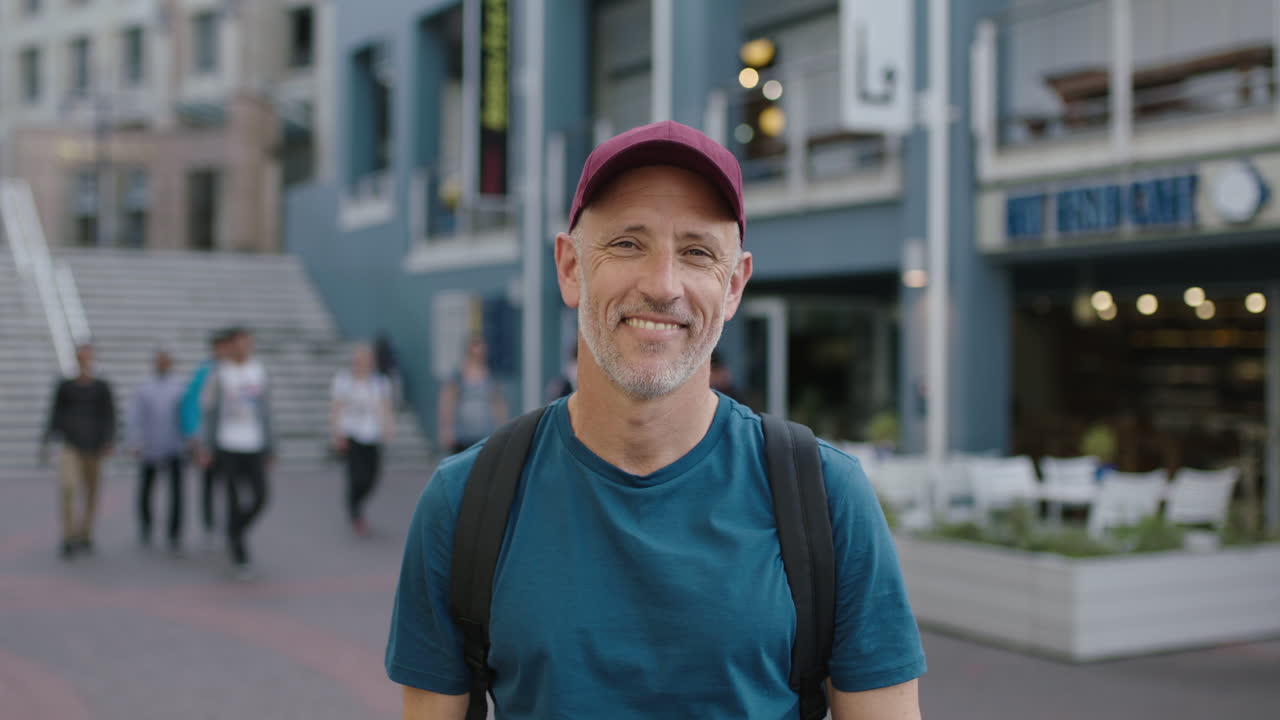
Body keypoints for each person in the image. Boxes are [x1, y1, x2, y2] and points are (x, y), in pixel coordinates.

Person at [386, 121, 926, 719]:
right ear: (570, 267)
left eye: (696, 252)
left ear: (734, 285)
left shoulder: (823, 498)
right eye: (626, 243)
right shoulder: (468, 500)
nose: (663, 286)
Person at [199, 327, 273, 579]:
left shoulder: (259, 371)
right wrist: (207, 446)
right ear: (231, 345)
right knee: (232, 498)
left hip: (253, 444)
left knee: (261, 496)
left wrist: (271, 445)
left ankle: (235, 531)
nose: (243, 347)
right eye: (239, 343)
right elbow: (209, 412)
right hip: (227, 445)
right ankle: (240, 553)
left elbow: (266, 411)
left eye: (247, 342)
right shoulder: (219, 374)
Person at [40, 343, 116, 559]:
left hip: (94, 445)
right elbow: (54, 413)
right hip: (71, 444)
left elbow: (109, 414)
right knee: (68, 487)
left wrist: (108, 440)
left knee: (92, 491)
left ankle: (86, 532)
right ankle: (69, 534)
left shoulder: (101, 386)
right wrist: (47, 441)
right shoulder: (66, 385)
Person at [330, 343, 395, 537]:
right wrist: (336, 433)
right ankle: (354, 510)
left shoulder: (380, 383)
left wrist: (388, 427)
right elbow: (337, 408)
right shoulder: (344, 380)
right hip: (352, 434)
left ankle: (358, 502)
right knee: (357, 475)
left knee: (372, 476)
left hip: (372, 434)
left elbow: (385, 407)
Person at [127, 348, 187, 552]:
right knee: (146, 490)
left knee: (177, 493)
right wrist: (135, 440)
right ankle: (146, 526)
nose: (163, 364)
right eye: (160, 361)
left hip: (175, 446)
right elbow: (135, 416)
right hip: (151, 446)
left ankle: (174, 534)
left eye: (166, 361)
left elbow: (188, 416)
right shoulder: (145, 387)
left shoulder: (179, 387)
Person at [182, 328, 233, 542]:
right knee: (209, 483)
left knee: (230, 483)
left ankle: (231, 524)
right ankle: (209, 523)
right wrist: (193, 434)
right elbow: (191, 404)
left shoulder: (234, 370)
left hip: (230, 438)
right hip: (208, 438)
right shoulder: (205, 371)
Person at [436, 336, 508, 455]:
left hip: (485, 432)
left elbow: (498, 403)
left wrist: (502, 427)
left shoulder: (491, 376)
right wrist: (445, 429)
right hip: (462, 433)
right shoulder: (457, 375)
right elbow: (447, 402)